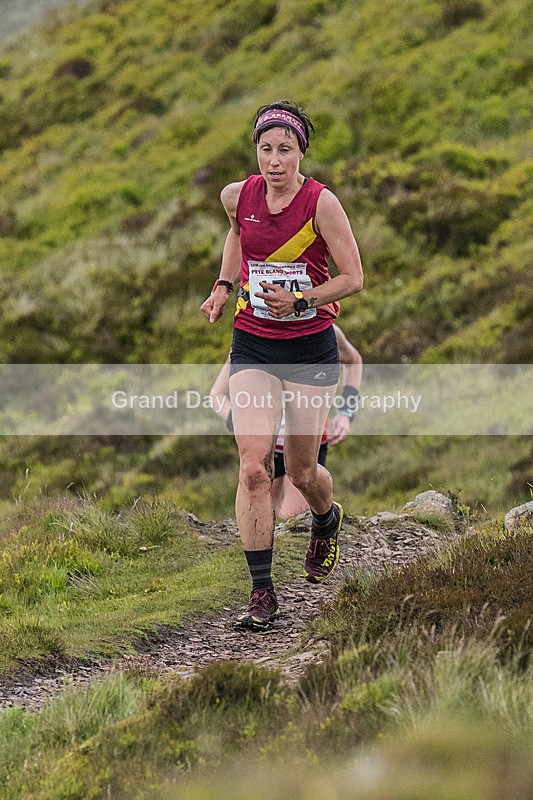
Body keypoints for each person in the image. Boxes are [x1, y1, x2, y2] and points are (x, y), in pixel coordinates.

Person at [200, 100, 363, 630]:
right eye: (266, 149)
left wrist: (302, 302)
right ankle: (262, 590)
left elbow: (353, 278)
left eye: (285, 151)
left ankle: (324, 519)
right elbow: (237, 237)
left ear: (300, 154)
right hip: (253, 343)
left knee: (301, 471)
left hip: (310, 348)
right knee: (252, 468)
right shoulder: (237, 196)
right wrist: (225, 286)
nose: (274, 161)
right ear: (256, 151)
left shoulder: (321, 204)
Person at [209, 324, 363, 518]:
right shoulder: (252, 334)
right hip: (268, 444)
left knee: (293, 518)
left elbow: (353, 360)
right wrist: (244, 424)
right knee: (265, 517)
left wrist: (346, 413)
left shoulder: (325, 330)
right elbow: (217, 396)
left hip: (305, 440)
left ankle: (327, 523)